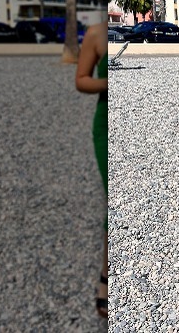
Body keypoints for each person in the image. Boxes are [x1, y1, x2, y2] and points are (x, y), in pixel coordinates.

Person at [74, 22, 109, 318]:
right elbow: (82, 80)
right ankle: (106, 273)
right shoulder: (96, 33)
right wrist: (108, 83)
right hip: (105, 124)